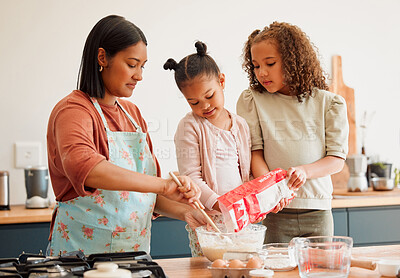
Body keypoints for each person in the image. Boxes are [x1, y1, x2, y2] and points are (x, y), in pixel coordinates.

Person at [46, 15, 207, 256]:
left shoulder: (132, 113)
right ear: (102, 58)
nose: (139, 76)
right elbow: (87, 168)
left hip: (135, 259)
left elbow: (142, 195)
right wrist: (164, 185)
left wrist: (186, 211)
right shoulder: (73, 111)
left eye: (142, 66)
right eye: (132, 64)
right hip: (81, 259)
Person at [163, 41, 290, 256]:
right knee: (213, 267)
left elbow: (247, 172)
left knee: (242, 265)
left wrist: (255, 203)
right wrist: (222, 206)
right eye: (193, 102)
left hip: (241, 218)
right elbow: (191, 177)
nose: (204, 106)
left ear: (222, 81)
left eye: (209, 96)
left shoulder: (240, 124)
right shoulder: (189, 126)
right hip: (209, 221)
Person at [237, 22, 349, 243]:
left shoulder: (328, 103)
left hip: (317, 211)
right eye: (256, 66)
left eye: (270, 63)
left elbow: (336, 160)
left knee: (319, 272)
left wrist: (305, 171)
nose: (262, 72)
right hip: (277, 211)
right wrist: (272, 190)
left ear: (292, 61)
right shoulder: (253, 100)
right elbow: (254, 154)